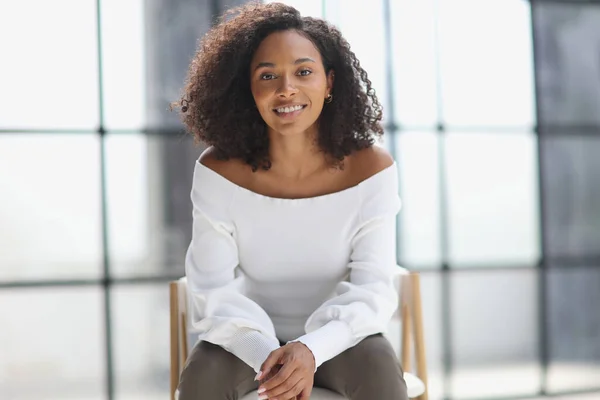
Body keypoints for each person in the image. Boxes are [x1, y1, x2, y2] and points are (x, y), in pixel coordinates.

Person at [174, 2, 408, 399]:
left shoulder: (372, 169)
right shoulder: (218, 171)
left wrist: (311, 349)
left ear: (329, 82)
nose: (286, 89)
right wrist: (271, 356)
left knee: (380, 373)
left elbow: (372, 290)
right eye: (268, 75)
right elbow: (213, 290)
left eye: (304, 72)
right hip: (243, 341)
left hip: (339, 340)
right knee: (201, 378)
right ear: (248, 87)